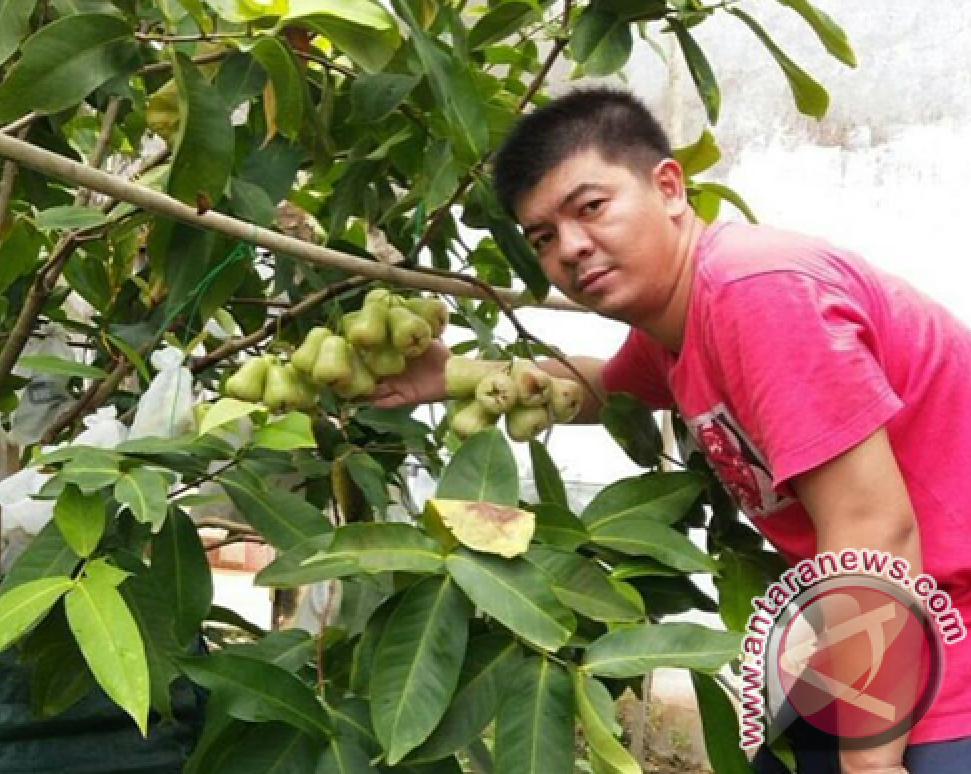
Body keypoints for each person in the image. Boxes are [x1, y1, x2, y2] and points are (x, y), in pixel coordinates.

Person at [371, 87, 971, 773]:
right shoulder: (680, 326)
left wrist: (869, 764)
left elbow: (874, 528)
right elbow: (600, 387)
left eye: (590, 208)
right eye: (542, 237)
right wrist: (447, 375)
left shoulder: (757, 292)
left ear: (669, 187)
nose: (571, 247)